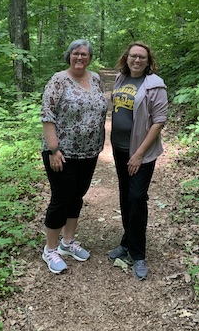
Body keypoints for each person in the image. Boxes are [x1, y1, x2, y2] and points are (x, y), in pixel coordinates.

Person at [41, 39, 108, 274]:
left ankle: (67, 243)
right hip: (62, 153)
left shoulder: (96, 78)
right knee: (61, 197)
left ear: (90, 57)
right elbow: (47, 115)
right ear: (69, 56)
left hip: (89, 152)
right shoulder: (59, 80)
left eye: (84, 54)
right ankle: (50, 250)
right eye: (75, 53)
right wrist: (53, 150)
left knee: (77, 196)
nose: (80, 58)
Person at [108, 42, 168, 280]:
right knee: (125, 195)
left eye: (142, 57)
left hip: (140, 153)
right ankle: (126, 241)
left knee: (137, 198)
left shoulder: (155, 85)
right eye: (133, 56)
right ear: (127, 58)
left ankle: (139, 254)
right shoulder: (120, 79)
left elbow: (159, 121)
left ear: (148, 60)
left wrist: (140, 154)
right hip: (120, 149)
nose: (137, 60)